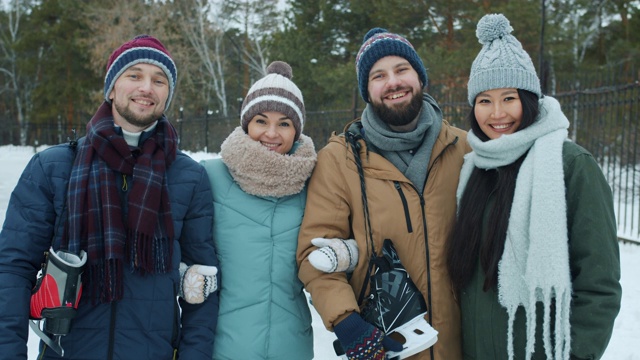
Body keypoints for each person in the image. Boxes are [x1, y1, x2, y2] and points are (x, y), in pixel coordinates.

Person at [0, 35, 219, 359]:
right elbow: (12, 269)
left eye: (159, 80)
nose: (147, 87)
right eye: (134, 75)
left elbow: (204, 284)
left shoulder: (189, 177)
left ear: (167, 95)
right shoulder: (53, 168)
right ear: (112, 88)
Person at [446, 14, 622, 360]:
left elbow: (599, 285)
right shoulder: (473, 167)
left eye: (508, 97)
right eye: (484, 100)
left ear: (528, 99)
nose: (497, 113)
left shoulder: (570, 166)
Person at [296, 28, 470, 360]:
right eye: (379, 75)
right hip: (386, 346)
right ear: (367, 89)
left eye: (402, 69)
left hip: (462, 345)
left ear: (420, 77)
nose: (392, 82)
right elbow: (314, 252)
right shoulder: (339, 160)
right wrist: (347, 322)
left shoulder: (465, 148)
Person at [199, 61, 316, 360]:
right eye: (261, 121)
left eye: (285, 123)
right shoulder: (210, 177)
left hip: (292, 347)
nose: (272, 133)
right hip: (224, 347)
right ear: (246, 124)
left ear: (297, 130)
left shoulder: (314, 184)